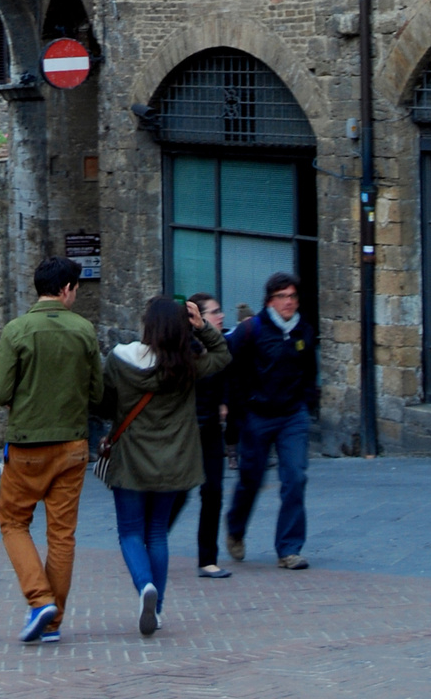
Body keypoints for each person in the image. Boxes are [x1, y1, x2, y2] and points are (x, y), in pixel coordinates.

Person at [101, 295, 231, 634]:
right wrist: (203, 329)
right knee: (157, 533)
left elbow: (102, 403)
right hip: (173, 462)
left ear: (147, 325)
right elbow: (222, 356)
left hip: (131, 461)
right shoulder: (185, 366)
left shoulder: (119, 360)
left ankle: (145, 585)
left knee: (130, 532)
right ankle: (156, 611)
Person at [0, 255, 103, 645]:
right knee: (62, 534)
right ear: (67, 288)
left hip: (27, 445)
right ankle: (53, 622)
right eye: (77, 289)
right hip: (72, 443)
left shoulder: (17, 330)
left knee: (12, 522)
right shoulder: (85, 330)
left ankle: (39, 600)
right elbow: (97, 392)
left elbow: (0, 392)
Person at [224, 271, 319, 571]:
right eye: (282, 297)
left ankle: (289, 549)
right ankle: (236, 529)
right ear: (269, 301)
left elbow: (309, 370)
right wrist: (235, 404)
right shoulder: (252, 330)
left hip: (293, 415)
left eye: (292, 296)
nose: (289, 302)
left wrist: (305, 400)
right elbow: (228, 365)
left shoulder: (304, 329)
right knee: (251, 479)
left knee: (295, 478)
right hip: (258, 414)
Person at [187, 292, 234, 580]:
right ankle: (151, 541)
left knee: (213, 491)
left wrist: (224, 403)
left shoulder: (221, 345)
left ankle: (208, 559)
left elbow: (227, 375)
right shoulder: (188, 349)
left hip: (212, 431)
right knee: (177, 494)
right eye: (214, 312)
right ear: (198, 318)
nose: (221, 316)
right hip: (187, 431)